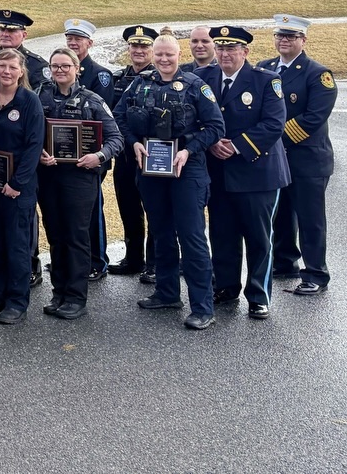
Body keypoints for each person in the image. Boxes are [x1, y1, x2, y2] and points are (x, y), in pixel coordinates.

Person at [115, 33, 225, 330]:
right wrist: (134, 143)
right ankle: (166, 293)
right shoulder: (141, 83)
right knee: (161, 231)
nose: (164, 59)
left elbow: (215, 127)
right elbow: (120, 117)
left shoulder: (195, 86)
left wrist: (189, 149)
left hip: (186, 170)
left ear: (179, 55)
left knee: (191, 236)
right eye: (159, 54)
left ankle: (203, 306)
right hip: (151, 169)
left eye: (170, 55)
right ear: (154, 53)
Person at [200, 27, 288, 319]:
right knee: (222, 233)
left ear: (245, 52)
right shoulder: (204, 78)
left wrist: (236, 146)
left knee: (259, 238)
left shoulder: (266, 80)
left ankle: (259, 295)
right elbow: (195, 116)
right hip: (219, 172)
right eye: (221, 48)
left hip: (257, 174)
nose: (225, 54)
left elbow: (274, 124)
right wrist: (211, 141)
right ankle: (225, 287)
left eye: (231, 49)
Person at [36, 47, 122, 320]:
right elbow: (28, 132)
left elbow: (115, 140)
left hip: (80, 178)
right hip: (48, 176)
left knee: (75, 236)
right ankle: (59, 291)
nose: (60, 70)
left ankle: (76, 296)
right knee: (55, 235)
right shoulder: (39, 96)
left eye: (65, 66)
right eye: (55, 66)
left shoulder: (92, 101)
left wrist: (98, 156)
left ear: (77, 68)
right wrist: (39, 152)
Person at [258, 15, 338, 296]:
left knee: (309, 218)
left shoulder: (318, 74)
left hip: (307, 160)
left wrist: (271, 138)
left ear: (303, 40)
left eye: (291, 37)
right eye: (280, 36)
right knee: (279, 214)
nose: (284, 41)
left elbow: (313, 118)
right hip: (275, 158)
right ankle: (285, 262)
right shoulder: (264, 68)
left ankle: (316, 273)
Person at [0, 49, 44, 324]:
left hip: (18, 188)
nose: (6, 71)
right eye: (2, 66)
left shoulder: (29, 102)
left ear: (21, 71)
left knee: (16, 245)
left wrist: (17, 183)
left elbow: (33, 145)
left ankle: (17, 302)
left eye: (12, 67)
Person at [62, 18, 113, 281]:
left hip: (91, 156)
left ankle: (97, 260)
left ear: (89, 43)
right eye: (70, 38)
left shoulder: (100, 75)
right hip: (63, 156)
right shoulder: (60, 70)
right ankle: (72, 259)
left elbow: (104, 122)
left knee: (92, 209)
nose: (73, 42)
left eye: (78, 39)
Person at [106, 25, 158, 282]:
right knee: (128, 207)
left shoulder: (160, 78)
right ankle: (133, 258)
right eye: (134, 46)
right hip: (124, 156)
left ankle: (154, 263)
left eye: (144, 46)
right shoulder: (117, 78)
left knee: (154, 208)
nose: (139, 50)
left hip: (152, 155)